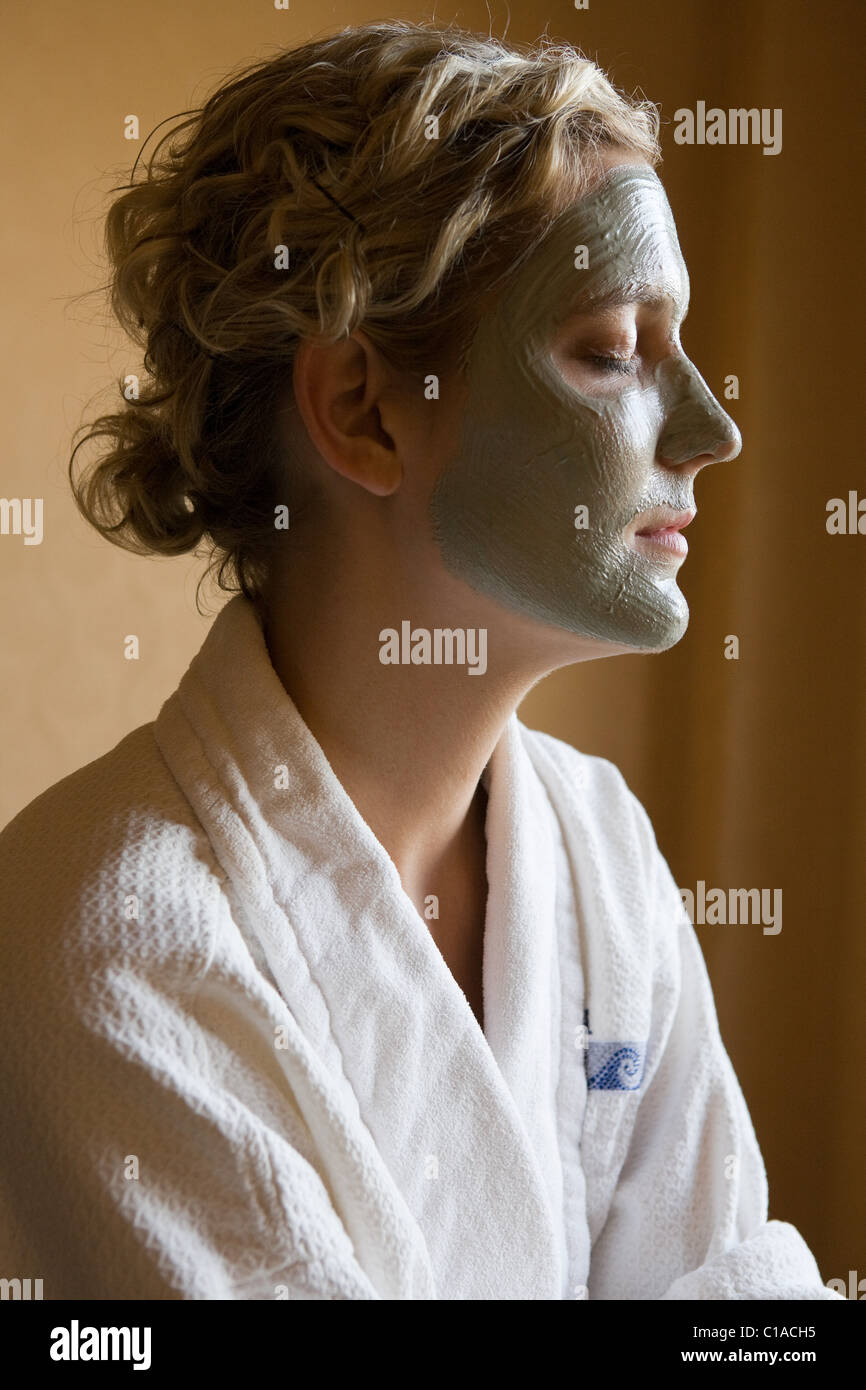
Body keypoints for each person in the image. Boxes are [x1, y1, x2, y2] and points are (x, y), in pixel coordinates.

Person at [0, 20, 841, 1300]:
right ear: (361, 410)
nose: (711, 429)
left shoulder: (601, 854)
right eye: (611, 349)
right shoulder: (102, 928)